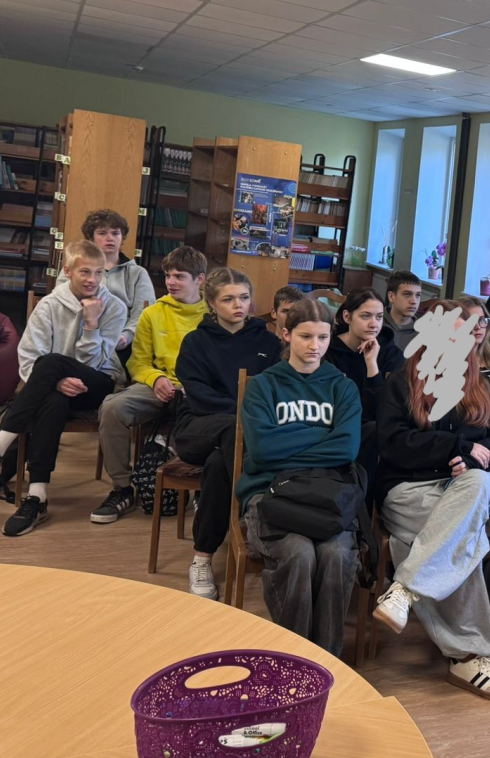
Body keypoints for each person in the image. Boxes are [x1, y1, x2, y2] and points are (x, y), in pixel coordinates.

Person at [374, 298, 490, 701]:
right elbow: (391, 444)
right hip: (408, 489)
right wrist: (455, 447)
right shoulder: (402, 382)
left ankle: (404, 589)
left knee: (481, 484)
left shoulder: (483, 385)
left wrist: (474, 459)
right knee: (462, 540)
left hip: (467, 488)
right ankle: (469, 656)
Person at [0, 240, 127, 536]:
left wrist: (91, 324)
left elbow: (96, 361)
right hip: (53, 388)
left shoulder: (113, 307)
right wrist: (57, 382)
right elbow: (27, 358)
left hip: (98, 383)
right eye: (85, 272)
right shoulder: (49, 305)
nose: (93, 279)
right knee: (53, 400)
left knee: (50, 362)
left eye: (99, 272)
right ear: (68, 271)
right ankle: (37, 497)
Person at [238, 298, 362, 656]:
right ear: (286, 334)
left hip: (327, 494)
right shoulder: (263, 386)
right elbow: (262, 449)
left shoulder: (342, 387)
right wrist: (322, 433)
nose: (315, 346)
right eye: (306, 336)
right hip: (270, 494)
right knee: (298, 553)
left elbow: (346, 449)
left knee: (336, 554)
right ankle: (292, 657)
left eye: (323, 337)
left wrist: (286, 444)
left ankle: (327, 660)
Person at [174, 268, 282, 600]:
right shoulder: (195, 342)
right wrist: (245, 414)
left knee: (220, 464)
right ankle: (255, 516)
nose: (238, 305)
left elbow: (275, 390)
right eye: (228, 299)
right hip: (199, 426)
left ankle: (202, 557)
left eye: (244, 298)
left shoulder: (268, 342)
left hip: (244, 435)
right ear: (211, 303)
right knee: (230, 433)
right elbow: (199, 396)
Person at [92, 246, 209, 524]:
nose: (171, 282)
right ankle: (122, 488)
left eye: (179, 276)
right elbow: (138, 362)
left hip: (199, 392)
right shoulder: (153, 313)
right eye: (168, 275)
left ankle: (203, 488)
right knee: (113, 407)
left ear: (200, 280)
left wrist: (196, 386)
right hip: (159, 387)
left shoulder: (213, 315)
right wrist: (155, 378)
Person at [324, 288, 405, 478]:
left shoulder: (391, 355)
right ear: (347, 316)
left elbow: (384, 411)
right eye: (365, 316)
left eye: (379, 317)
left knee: (374, 430)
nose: (374, 324)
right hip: (335, 427)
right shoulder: (328, 351)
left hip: (376, 432)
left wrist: (371, 364)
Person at [56, 209, 154, 359]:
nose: (110, 238)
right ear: (91, 238)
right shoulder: (73, 269)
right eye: (102, 233)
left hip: (121, 342)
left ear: (122, 237)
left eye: (115, 233)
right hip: (78, 336)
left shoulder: (138, 273)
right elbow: (62, 303)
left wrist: (127, 335)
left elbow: (143, 312)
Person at [384, 270, 423, 352]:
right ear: (391, 297)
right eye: (407, 294)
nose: (414, 301)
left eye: (418, 295)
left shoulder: (424, 332)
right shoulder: (376, 324)